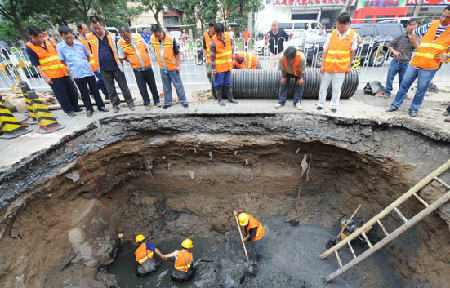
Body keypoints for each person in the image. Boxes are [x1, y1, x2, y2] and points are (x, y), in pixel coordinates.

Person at [387, 5, 450, 117]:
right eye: (443, 15)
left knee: (421, 89)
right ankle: (395, 105)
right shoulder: (432, 24)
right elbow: (414, 34)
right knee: (404, 85)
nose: (444, 19)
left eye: (448, 17)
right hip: (416, 62)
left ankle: (414, 109)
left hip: (430, 66)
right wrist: (417, 47)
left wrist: (445, 57)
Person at [25, 25, 80, 117]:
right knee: (62, 94)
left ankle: (75, 107)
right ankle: (69, 110)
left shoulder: (49, 41)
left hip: (62, 70)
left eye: (41, 36)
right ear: (31, 36)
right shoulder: (29, 47)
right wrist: (46, 77)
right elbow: (36, 65)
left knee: (72, 90)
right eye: (37, 38)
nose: (40, 39)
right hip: (52, 75)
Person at [57, 26, 108, 117]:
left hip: (87, 70)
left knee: (95, 90)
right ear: (61, 36)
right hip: (77, 73)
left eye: (70, 37)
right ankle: (89, 108)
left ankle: (101, 106)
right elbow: (62, 61)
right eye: (66, 38)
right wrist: (72, 67)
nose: (69, 39)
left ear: (72, 35)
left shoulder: (79, 44)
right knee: (84, 92)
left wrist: (84, 63)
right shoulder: (60, 47)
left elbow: (88, 55)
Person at [87, 16, 135, 113]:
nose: (97, 30)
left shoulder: (112, 36)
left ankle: (130, 102)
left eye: (98, 27)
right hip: (103, 68)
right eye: (94, 28)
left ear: (102, 25)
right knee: (110, 89)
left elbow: (121, 49)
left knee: (123, 86)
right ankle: (115, 105)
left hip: (116, 66)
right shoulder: (90, 37)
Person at [318, 13, 358, 113]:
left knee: (337, 87)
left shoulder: (353, 36)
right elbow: (325, 50)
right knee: (323, 86)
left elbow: (352, 52)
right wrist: (322, 65)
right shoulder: (332, 34)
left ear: (347, 24)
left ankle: (334, 105)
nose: (338, 28)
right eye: (337, 26)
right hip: (328, 66)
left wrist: (349, 66)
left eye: (340, 26)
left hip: (341, 67)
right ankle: (320, 103)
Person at [118, 25, 161, 110]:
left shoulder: (138, 36)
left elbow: (146, 47)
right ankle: (147, 103)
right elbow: (122, 56)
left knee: (152, 85)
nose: (126, 39)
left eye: (127, 36)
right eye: (123, 37)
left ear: (129, 33)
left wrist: (145, 56)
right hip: (137, 69)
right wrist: (131, 60)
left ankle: (157, 101)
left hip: (147, 66)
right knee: (142, 87)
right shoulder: (120, 43)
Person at [376, 19, 418, 98]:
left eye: (414, 24)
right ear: (407, 26)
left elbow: (416, 47)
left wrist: (413, 37)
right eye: (410, 25)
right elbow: (389, 45)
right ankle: (387, 92)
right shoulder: (401, 36)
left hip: (406, 63)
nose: (412, 27)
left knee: (403, 80)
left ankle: (402, 94)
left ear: (417, 26)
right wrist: (394, 52)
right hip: (396, 61)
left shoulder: (416, 38)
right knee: (390, 77)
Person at [150, 24, 189, 109]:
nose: (157, 37)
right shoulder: (153, 39)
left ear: (162, 32)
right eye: (155, 35)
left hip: (172, 67)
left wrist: (178, 66)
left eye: (158, 35)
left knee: (178, 85)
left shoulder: (171, 39)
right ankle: (168, 102)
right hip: (162, 67)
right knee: (166, 86)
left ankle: (183, 101)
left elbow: (177, 53)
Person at [77, 23, 109, 98]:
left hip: (97, 62)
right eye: (85, 30)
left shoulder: (90, 37)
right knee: (103, 79)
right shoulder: (79, 41)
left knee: (104, 79)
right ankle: (91, 90)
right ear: (80, 30)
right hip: (89, 65)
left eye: (87, 29)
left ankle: (106, 94)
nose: (87, 31)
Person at [210, 22, 238, 106]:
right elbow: (212, 57)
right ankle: (219, 99)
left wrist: (233, 60)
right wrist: (214, 69)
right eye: (216, 34)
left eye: (220, 34)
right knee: (218, 84)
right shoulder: (213, 42)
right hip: (219, 68)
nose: (218, 36)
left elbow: (231, 50)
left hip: (228, 67)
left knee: (228, 83)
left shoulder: (229, 37)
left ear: (223, 31)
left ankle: (230, 98)